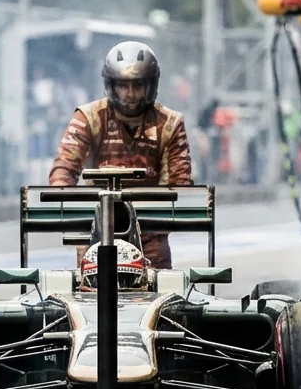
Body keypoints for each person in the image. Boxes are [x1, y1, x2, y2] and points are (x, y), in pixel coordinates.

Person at [49, 42, 193, 269]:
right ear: (111, 86)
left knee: (162, 286)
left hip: (150, 231)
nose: (131, 94)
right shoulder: (89, 117)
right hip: (97, 230)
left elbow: (180, 183)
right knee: (88, 287)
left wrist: (154, 214)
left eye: (138, 86)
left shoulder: (170, 123)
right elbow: (64, 169)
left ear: (151, 85)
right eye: (123, 86)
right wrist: (71, 206)